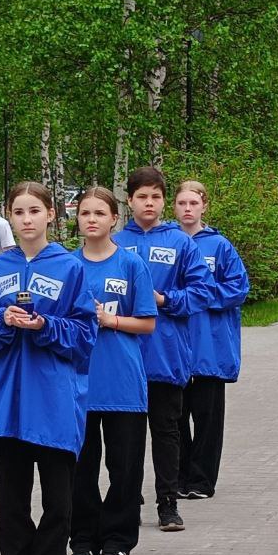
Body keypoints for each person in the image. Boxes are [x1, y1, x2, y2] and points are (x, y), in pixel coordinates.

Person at [0, 182, 95, 555]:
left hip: (54, 398)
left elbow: (85, 335)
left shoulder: (70, 268)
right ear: (9, 216)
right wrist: (2, 320)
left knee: (58, 495)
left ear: (50, 215)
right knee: (12, 496)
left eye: (34, 211)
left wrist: (45, 326)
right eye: (19, 212)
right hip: (8, 400)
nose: (27, 219)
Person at [112, 166, 210, 532]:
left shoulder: (180, 242)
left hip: (166, 355)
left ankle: (168, 502)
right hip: (124, 357)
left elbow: (201, 292)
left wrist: (165, 299)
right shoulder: (116, 242)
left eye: (155, 196)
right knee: (126, 438)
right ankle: (128, 501)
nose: (148, 203)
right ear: (129, 201)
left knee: (167, 432)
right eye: (142, 196)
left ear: (164, 201)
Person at [68, 187, 156, 555]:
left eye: (99, 213)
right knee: (79, 467)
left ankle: (118, 538)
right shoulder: (67, 265)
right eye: (85, 213)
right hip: (78, 382)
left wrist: (110, 320)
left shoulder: (131, 264)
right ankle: (82, 537)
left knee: (125, 467)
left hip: (122, 381)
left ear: (114, 219)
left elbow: (148, 323)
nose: (92, 219)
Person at [172, 181, 249, 499]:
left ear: (204, 206)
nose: (188, 209)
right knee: (174, 418)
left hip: (209, 347)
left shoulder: (219, 246)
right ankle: (178, 477)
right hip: (175, 346)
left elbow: (238, 288)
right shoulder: (169, 243)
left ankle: (202, 480)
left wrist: (200, 296)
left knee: (207, 417)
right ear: (174, 207)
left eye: (193, 203)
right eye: (182, 203)